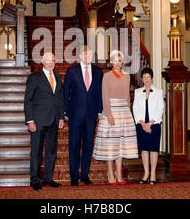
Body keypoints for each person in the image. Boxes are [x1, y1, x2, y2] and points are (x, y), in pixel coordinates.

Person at [93, 50, 138, 184]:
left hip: (124, 111)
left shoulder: (127, 76)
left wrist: (129, 113)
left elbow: (126, 96)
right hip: (110, 111)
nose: (117, 63)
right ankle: (110, 173)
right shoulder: (106, 76)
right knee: (110, 145)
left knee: (120, 145)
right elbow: (104, 95)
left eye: (119, 60)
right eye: (115, 60)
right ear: (111, 62)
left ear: (121, 62)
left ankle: (119, 174)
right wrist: (108, 113)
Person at [24, 52, 65, 191]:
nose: (51, 63)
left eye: (53, 60)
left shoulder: (58, 77)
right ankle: (35, 180)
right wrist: (30, 120)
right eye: (48, 60)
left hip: (53, 120)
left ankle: (48, 179)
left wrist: (60, 117)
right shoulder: (34, 78)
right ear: (42, 61)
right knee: (36, 151)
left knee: (51, 151)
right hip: (38, 121)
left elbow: (59, 99)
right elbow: (28, 101)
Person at [63, 45, 103, 187]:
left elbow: (100, 93)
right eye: (85, 54)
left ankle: (84, 175)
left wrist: (100, 110)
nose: (87, 57)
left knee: (87, 146)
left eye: (90, 54)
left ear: (92, 56)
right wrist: (65, 112)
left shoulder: (98, 72)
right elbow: (65, 93)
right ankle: (74, 176)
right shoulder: (71, 71)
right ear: (80, 56)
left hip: (91, 115)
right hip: (75, 115)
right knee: (74, 146)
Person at [132, 67, 165, 185]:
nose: (146, 79)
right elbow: (135, 108)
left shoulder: (158, 91)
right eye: (144, 77)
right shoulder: (137, 92)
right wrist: (142, 123)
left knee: (153, 149)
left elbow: (160, 108)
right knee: (144, 149)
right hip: (141, 124)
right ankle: (146, 173)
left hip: (154, 124)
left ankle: (153, 174)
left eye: (148, 77)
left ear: (152, 78)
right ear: (141, 79)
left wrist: (150, 123)